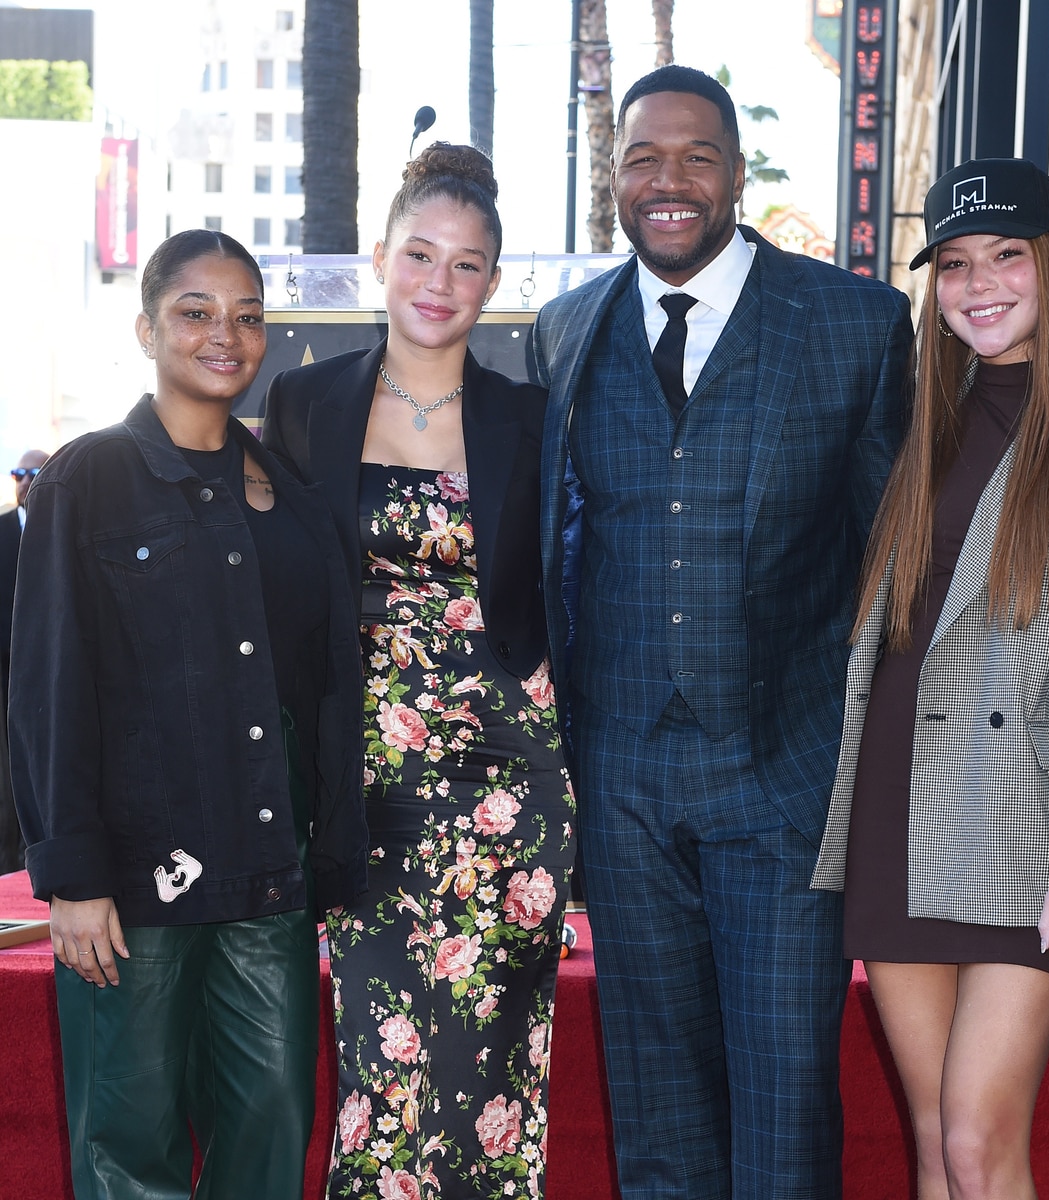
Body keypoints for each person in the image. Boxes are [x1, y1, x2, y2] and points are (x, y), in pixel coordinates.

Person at [532, 65, 913, 1198]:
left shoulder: (854, 322)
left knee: (788, 1105)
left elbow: (901, 562)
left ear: (738, 173)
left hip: (786, 780)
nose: (669, 181)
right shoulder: (565, 331)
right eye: (644, 158)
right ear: (613, 178)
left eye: (697, 156)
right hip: (626, 783)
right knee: (657, 1111)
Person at [811, 158, 1049, 1199]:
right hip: (895, 804)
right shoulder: (924, 408)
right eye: (956, 264)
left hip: (1028, 819)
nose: (980, 284)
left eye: (1007, 256)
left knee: (982, 1146)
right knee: (936, 1145)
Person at [10, 229, 367, 1200]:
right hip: (134, 893)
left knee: (273, 1131)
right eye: (196, 312)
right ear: (146, 328)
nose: (227, 335)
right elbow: (48, 687)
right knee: (128, 1154)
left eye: (248, 316)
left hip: (269, 886)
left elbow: (321, 697)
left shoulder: (291, 498)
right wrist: (72, 878)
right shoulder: (86, 480)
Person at [262, 144, 575, 1200]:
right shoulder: (306, 406)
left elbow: (579, 591)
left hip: (511, 784)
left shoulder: (534, 420)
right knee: (385, 1069)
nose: (439, 286)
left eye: (468, 265)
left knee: (492, 1070)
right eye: (421, 256)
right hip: (370, 785)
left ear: (495, 282)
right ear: (381, 260)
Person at [0, 447, 47, 874]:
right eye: (19, 473)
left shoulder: (67, 530)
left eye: (35, 472)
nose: (25, 480)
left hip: (52, 673)